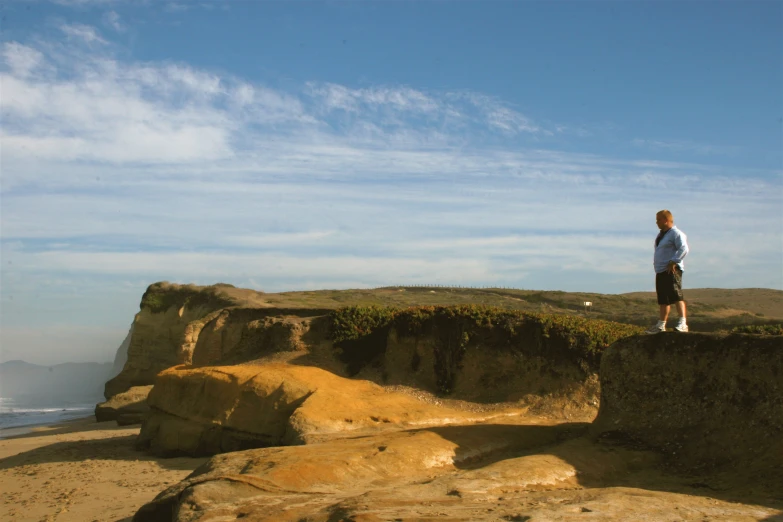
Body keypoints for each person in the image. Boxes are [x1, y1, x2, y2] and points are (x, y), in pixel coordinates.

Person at [646, 209, 689, 334]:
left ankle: (683, 323)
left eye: (658, 219)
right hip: (661, 270)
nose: (656, 222)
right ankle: (661, 324)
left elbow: (684, 248)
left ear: (666, 220)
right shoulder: (661, 235)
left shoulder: (676, 233)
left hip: (672, 269)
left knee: (676, 295)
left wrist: (674, 261)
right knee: (663, 299)